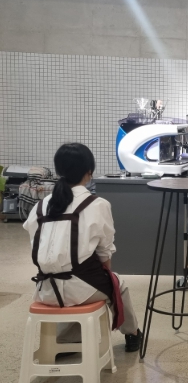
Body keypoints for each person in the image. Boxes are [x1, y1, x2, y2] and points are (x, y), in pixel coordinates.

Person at [23, 143, 141, 352]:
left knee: (75, 288)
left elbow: (36, 242)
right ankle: (132, 334)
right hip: (83, 288)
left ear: (58, 170)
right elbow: (105, 251)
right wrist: (106, 273)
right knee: (118, 285)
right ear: (89, 171)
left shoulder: (41, 206)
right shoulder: (97, 204)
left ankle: (62, 342)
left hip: (45, 289)